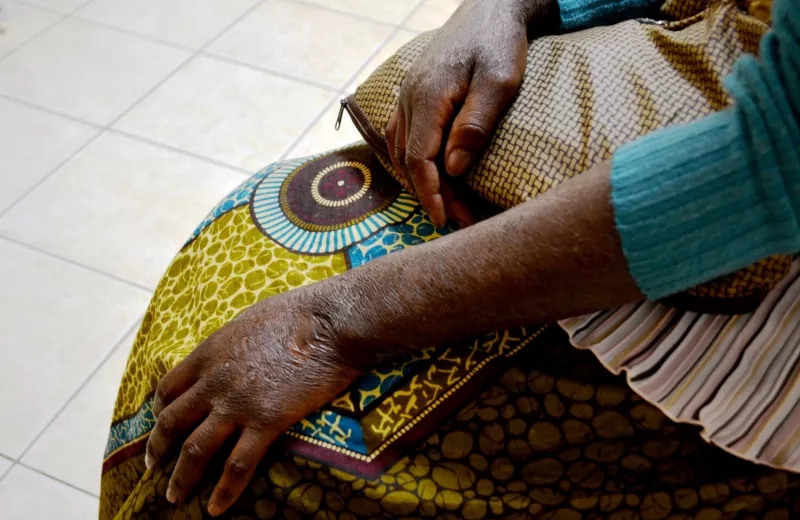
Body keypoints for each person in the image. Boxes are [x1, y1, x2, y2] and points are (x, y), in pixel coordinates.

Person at [100, 0, 800, 518]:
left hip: (750, 239)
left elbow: (764, 166)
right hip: (718, 87)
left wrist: (333, 323)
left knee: (280, 470)